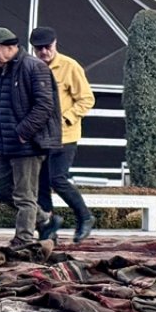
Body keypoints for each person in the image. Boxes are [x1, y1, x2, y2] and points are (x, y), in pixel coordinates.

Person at [0, 27, 63, 247]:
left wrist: (23, 132)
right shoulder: (3, 69)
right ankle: (45, 220)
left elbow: (45, 106)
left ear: (10, 47)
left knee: (25, 196)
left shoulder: (34, 67)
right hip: (5, 145)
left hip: (27, 145)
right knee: (1, 190)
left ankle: (23, 239)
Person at [30, 27, 95, 244]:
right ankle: (48, 230)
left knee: (58, 178)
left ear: (55, 44)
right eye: (39, 49)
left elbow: (86, 99)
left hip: (65, 135)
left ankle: (85, 216)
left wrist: (67, 117)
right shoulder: (31, 67)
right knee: (41, 183)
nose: (44, 52)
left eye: (48, 47)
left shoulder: (69, 66)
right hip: (39, 137)